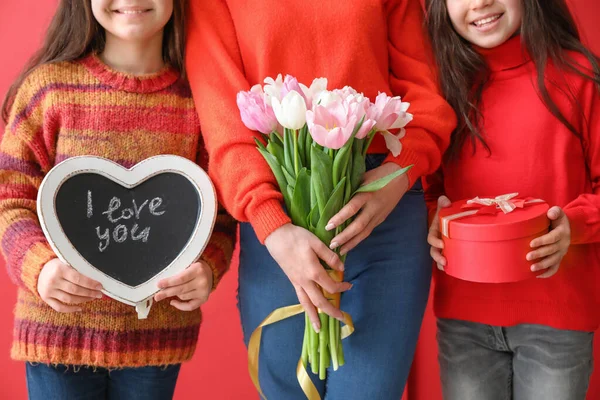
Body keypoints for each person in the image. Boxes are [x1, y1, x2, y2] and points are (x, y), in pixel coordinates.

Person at [185, 0, 456, 398]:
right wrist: (271, 224)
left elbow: (425, 89)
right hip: (279, 214)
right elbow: (221, 116)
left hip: (386, 204)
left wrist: (397, 176)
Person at [0, 0, 236, 398]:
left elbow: (220, 214)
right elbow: (10, 197)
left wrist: (207, 268)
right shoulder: (50, 90)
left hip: (157, 343)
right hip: (58, 335)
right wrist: (38, 268)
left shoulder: (200, 103)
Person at [425, 0, 600, 398]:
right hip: (463, 320)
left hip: (557, 319)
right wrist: (433, 218)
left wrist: (574, 226)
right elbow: (430, 190)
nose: (480, 3)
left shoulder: (581, 76)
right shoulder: (440, 87)